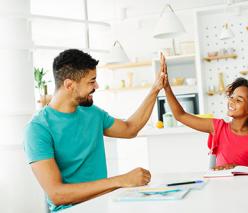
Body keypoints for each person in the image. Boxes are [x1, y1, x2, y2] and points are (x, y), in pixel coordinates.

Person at [24, 49, 167, 212]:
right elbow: (57, 194)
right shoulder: (37, 129)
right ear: (69, 85)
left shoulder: (92, 113)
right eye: (91, 82)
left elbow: (130, 129)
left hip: (103, 205)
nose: (97, 86)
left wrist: (155, 89)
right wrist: (121, 180)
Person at [161, 57, 248, 170]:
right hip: (221, 188)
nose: (232, 102)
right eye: (232, 97)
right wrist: (167, 88)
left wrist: (237, 168)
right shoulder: (218, 127)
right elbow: (180, 116)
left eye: (239, 100)